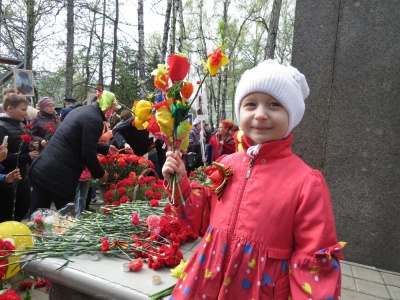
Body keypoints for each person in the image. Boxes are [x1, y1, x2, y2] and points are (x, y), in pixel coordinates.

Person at [161, 60, 345, 299]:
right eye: (250, 104)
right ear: (240, 112)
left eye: (274, 105)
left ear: (292, 115)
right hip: (205, 283)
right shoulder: (226, 165)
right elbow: (204, 220)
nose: (260, 114)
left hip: (260, 290)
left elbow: (313, 259)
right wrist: (182, 183)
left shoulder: (306, 182)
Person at [28, 95, 118, 214]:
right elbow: (88, 153)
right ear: (108, 106)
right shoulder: (94, 119)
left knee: (37, 216)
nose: (113, 113)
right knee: (65, 219)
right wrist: (100, 173)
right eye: (114, 109)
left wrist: (105, 148)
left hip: (44, 167)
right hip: (60, 175)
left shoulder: (82, 111)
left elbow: (78, 140)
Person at [0, 94, 39, 222]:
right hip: (8, 179)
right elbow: (3, 157)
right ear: (10, 108)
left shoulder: (21, 125)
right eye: (23, 109)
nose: (26, 112)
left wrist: (30, 147)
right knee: (8, 214)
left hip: (23, 176)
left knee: (23, 208)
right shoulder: (2, 127)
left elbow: (18, 147)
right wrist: (27, 156)